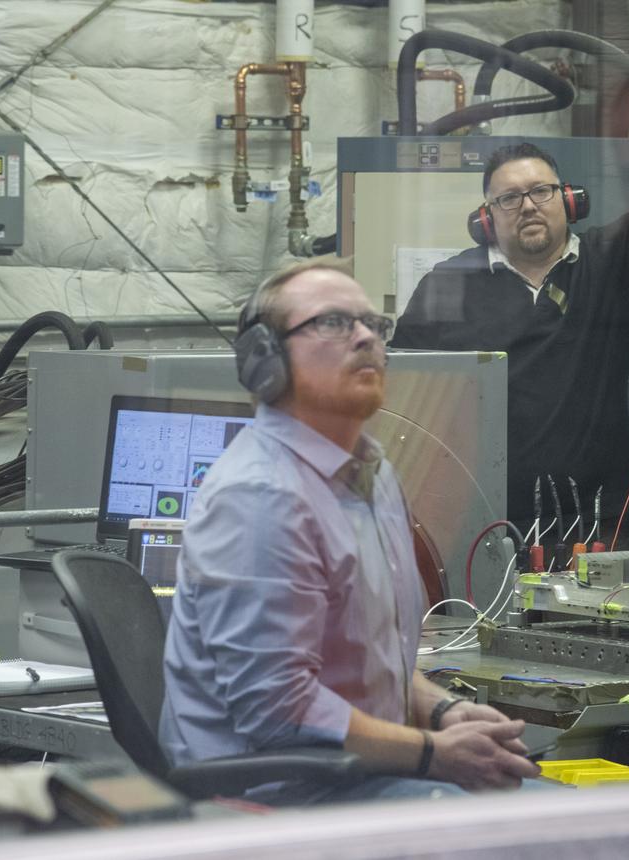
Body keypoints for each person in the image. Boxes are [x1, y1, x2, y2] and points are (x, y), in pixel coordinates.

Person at [160, 259, 540, 804]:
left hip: (362, 772)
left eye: (372, 324)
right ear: (266, 359)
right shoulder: (261, 497)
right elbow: (277, 712)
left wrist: (444, 710)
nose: (365, 337)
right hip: (280, 795)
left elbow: (368, 666)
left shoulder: (373, 474)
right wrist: (436, 752)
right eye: (334, 323)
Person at [391, 29, 629, 549]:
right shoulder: (447, 285)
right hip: (488, 522)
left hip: (603, 522)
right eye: (509, 199)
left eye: (540, 191)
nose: (528, 205)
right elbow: (403, 399)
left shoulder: (611, 263)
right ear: (486, 219)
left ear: (569, 201)